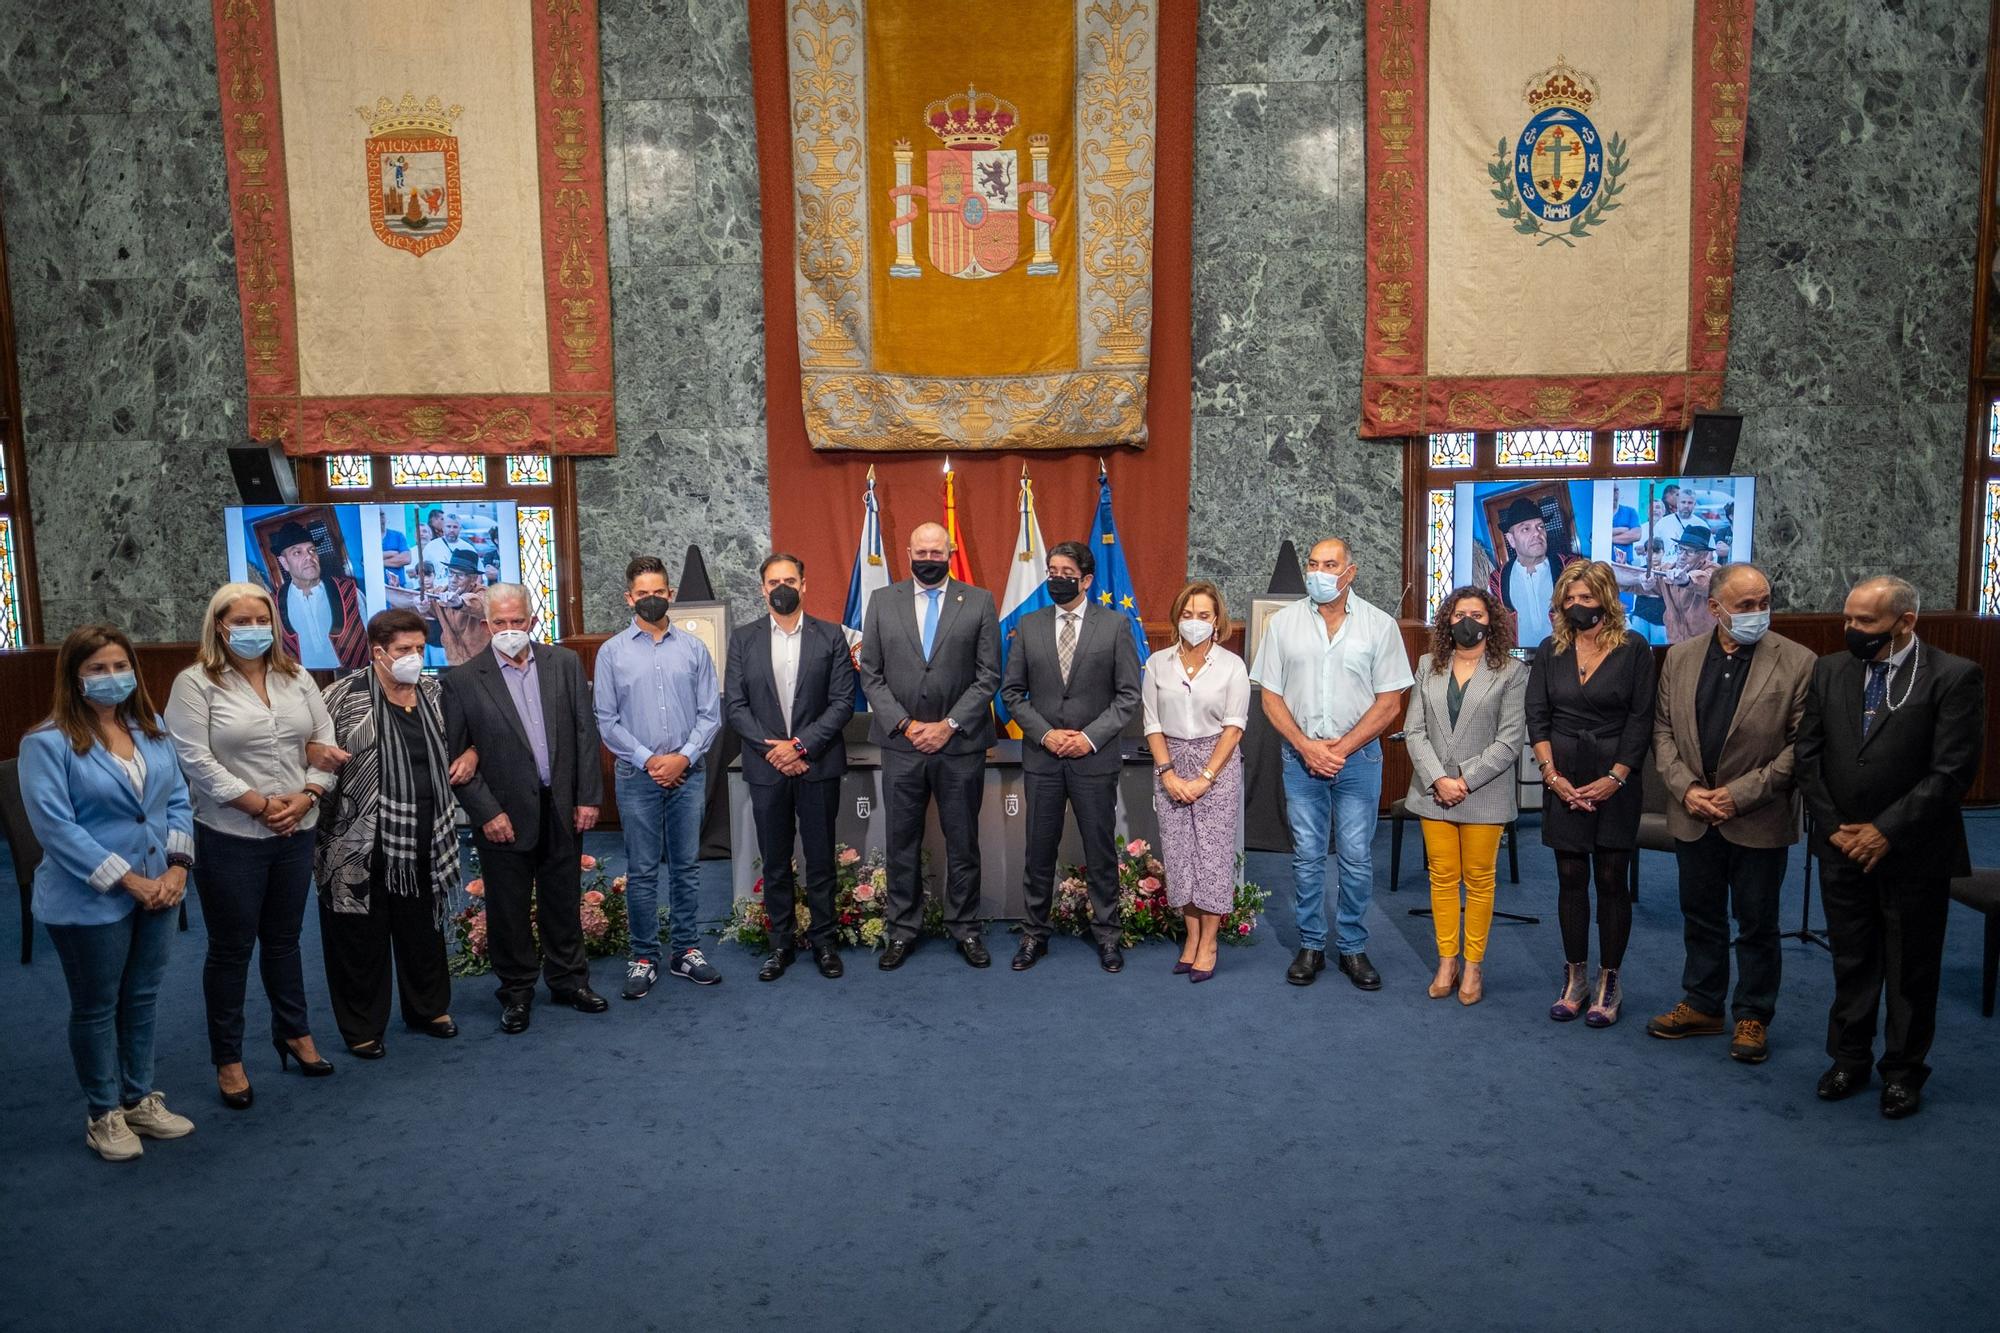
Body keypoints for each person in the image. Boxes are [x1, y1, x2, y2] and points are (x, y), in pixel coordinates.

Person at [1795, 575, 1984, 1120]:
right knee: (1852, 960)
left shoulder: (1953, 676)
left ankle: (1903, 1072)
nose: (1851, 629)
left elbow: (1951, 774)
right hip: (1839, 844)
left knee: (1911, 968)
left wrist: (1885, 831)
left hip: (1914, 851)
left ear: (1906, 622)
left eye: (1865, 622)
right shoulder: (1830, 670)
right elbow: (1809, 756)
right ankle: (1848, 1058)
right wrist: (1834, 827)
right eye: (1848, 619)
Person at [21, 625, 198, 1160]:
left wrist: (178, 868)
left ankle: (140, 1097)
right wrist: (129, 880)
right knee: (97, 1006)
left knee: (142, 997)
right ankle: (104, 1113)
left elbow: (177, 801)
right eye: (97, 668)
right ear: (74, 677)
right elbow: (55, 828)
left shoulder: (153, 726)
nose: (111, 677)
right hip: (90, 897)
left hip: (160, 888)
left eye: (119, 665)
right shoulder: (46, 742)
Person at [165, 583, 342, 1109]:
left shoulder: (296, 676)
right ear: (219, 626)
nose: (252, 628)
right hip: (230, 836)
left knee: (285, 940)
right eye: (239, 620)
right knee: (231, 949)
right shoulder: (194, 683)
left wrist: (309, 794)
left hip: (296, 827)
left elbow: (325, 742)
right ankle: (229, 1057)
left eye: (260, 618)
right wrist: (261, 806)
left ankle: (294, 1032)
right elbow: (195, 761)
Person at [1645, 563, 1814, 1063]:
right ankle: (1703, 1004)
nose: (1758, 613)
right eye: (1745, 606)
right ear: (1715, 608)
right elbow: (1662, 732)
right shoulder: (1680, 656)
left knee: (1757, 921)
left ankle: (1753, 1015)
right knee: (1701, 915)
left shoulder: (1799, 661)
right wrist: (1687, 789)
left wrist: (1738, 795)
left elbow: (1800, 748)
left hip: (1758, 816)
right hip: (1693, 812)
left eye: (1764, 602)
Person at [441, 584, 607, 1034]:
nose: (510, 630)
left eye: (518, 622)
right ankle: (516, 994)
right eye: (501, 623)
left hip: (562, 806)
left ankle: (570, 982)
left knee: (562, 900)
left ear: (532, 621)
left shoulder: (565, 664)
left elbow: (584, 733)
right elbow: (457, 760)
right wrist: (485, 812)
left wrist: (589, 796)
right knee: (508, 910)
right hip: (502, 817)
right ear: (486, 624)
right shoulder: (461, 680)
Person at [1253, 537, 1414, 989]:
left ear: (1350, 572)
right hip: (1300, 757)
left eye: (1330, 564)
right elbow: (1270, 696)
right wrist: (1307, 746)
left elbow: (1389, 704)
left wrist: (1338, 750)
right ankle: (1310, 944)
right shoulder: (1283, 625)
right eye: (1313, 563)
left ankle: (1353, 948)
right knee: (1306, 856)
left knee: (1357, 857)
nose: (1319, 571)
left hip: (1358, 759)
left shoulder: (1379, 626)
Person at [313, 609, 461, 1057]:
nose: (414, 657)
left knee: (423, 929)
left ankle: (428, 1008)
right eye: (403, 650)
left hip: (424, 833)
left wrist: (469, 754)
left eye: (419, 648)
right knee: (358, 936)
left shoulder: (435, 693)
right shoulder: (342, 696)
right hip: (354, 839)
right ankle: (361, 1026)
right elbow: (312, 752)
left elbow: (461, 742)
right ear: (378, 652)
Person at [858, 522, 1001, 970]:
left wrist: (949, 724)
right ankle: (902, 930)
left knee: (963, 843)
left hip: (960, 746)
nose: (928, 558)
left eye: (936, 552)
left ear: (951, 551)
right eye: (920, 551)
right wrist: (905, 723)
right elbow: (871, 674)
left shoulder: (978, 601)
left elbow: (988, 677)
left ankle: (966, 928)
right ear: (907, 552)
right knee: (902, 842)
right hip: (901, 745)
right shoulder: (882, 601)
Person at [1000, 540, 1142, 973]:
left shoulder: (1115, 626)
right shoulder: (1029, 625)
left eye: (1065, 571)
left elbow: (1128, 695)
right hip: (1043, 759)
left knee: (1100, 851)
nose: (1056, 578)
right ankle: (1034, 935)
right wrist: (1045, 734)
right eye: (1051, 570)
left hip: (1093, 759)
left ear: (1086, 579)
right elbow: (1011, 692)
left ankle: (1108, 936)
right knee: (1038, 851)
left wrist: (1088, 738)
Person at [1527, 560, 1656, 1026]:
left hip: (1615, 778)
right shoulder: (1549, 650)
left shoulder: (1635, 648)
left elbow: (1642, 719)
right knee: (1569, 878)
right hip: (1562, 777)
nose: (1577, 606)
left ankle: (1610, 981)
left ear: (1606, 599)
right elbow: (1537, 717)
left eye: (1586, 597)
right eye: (1570, 598)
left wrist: (1616, 777)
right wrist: (1552, 776)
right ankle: (1575, 977)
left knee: (1610, 878)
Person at [723, 553, 857, 981]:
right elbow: (736, 706)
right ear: (762, 588)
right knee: (776, 862)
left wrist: (800, 746)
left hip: (817, 765)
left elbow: (842, 703)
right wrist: (775, 751)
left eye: (790, 579)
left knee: (820, 861)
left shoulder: (831, 635)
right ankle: (779, 945)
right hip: (766, 769)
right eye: (773, 580)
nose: (781, 587)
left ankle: (824, 942)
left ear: (804, 585)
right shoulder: (743, 638)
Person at [595, 555, 723, 997]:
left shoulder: (693, 649)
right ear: (630, 598)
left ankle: (686, 950)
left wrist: (683, 758)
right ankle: (644, 955)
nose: (652, 599)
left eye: (659, 592)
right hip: (637, 775)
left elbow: (710, 715)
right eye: (642, 593)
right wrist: (652, 760)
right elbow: (607, 721)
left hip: (689, 773)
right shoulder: (611, 652)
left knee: (687, 867)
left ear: (671, 595)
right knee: (643, 870)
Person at [1400, 587, 1528, 1006]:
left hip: (1483, 793)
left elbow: (1509, 742)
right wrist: (1439, 778)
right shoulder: (1427, 666)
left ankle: (1474, 964)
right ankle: (1446, 960)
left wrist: (1463, 781)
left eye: (1476, 613)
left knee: (1478, 881)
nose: (1466, 621)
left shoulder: (1511, 672)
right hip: (1432, 791)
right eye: (1458, 614)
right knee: (1441, 878)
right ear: (1447, 622)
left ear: (1491, 620)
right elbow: (1414, 730)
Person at [1143, 582, 1249, 982]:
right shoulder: (1157, 663)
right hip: (1169, 761)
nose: (1194, 622)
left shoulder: (1231, 666)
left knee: (1212, 858)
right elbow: (1152, 722)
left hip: (1216, 765)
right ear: (1177, 618)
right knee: (1180, 856)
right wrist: (1167, 772)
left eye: (1203, 615)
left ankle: (1210, 943)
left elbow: (1234, 728)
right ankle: (1190, 939)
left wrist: (1205, 777)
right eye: (1188, 614)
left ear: (1217, 620)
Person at [270, 519, 369, 669]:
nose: (309, 557)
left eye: (312, 550)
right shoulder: (272, 604)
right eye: (297, 552)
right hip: (302, 686)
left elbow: (375, 636)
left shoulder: (349, 591)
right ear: (284, 563)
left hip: (354, 681)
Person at [1486, 498, 1583, 650]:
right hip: (1520, 666)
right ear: (1511, 540)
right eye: (1526, 529)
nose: (1537, 534)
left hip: (1567, 659)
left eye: (1540, 527)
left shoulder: (1572, 568)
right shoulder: (1497, 580)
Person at [1651, 524, 1719, 644]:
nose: (1682, 556)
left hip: (1704, 645)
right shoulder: (1668, 569)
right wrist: (1644, 579)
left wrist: (1687, 580)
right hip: (1674, 642)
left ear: (1703, 555)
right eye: (1680, 549)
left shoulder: (1714, 570)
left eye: (1690, 552)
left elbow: (1707, 582)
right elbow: (1641, 581)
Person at [420, 509, 474, 574]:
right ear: (443, 527)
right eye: (448, 526)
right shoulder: (430, 547)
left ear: (460, 529)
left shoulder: (468, 548)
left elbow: (477, 573)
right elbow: (423, 571)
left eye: (455, 527)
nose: (451, 530)